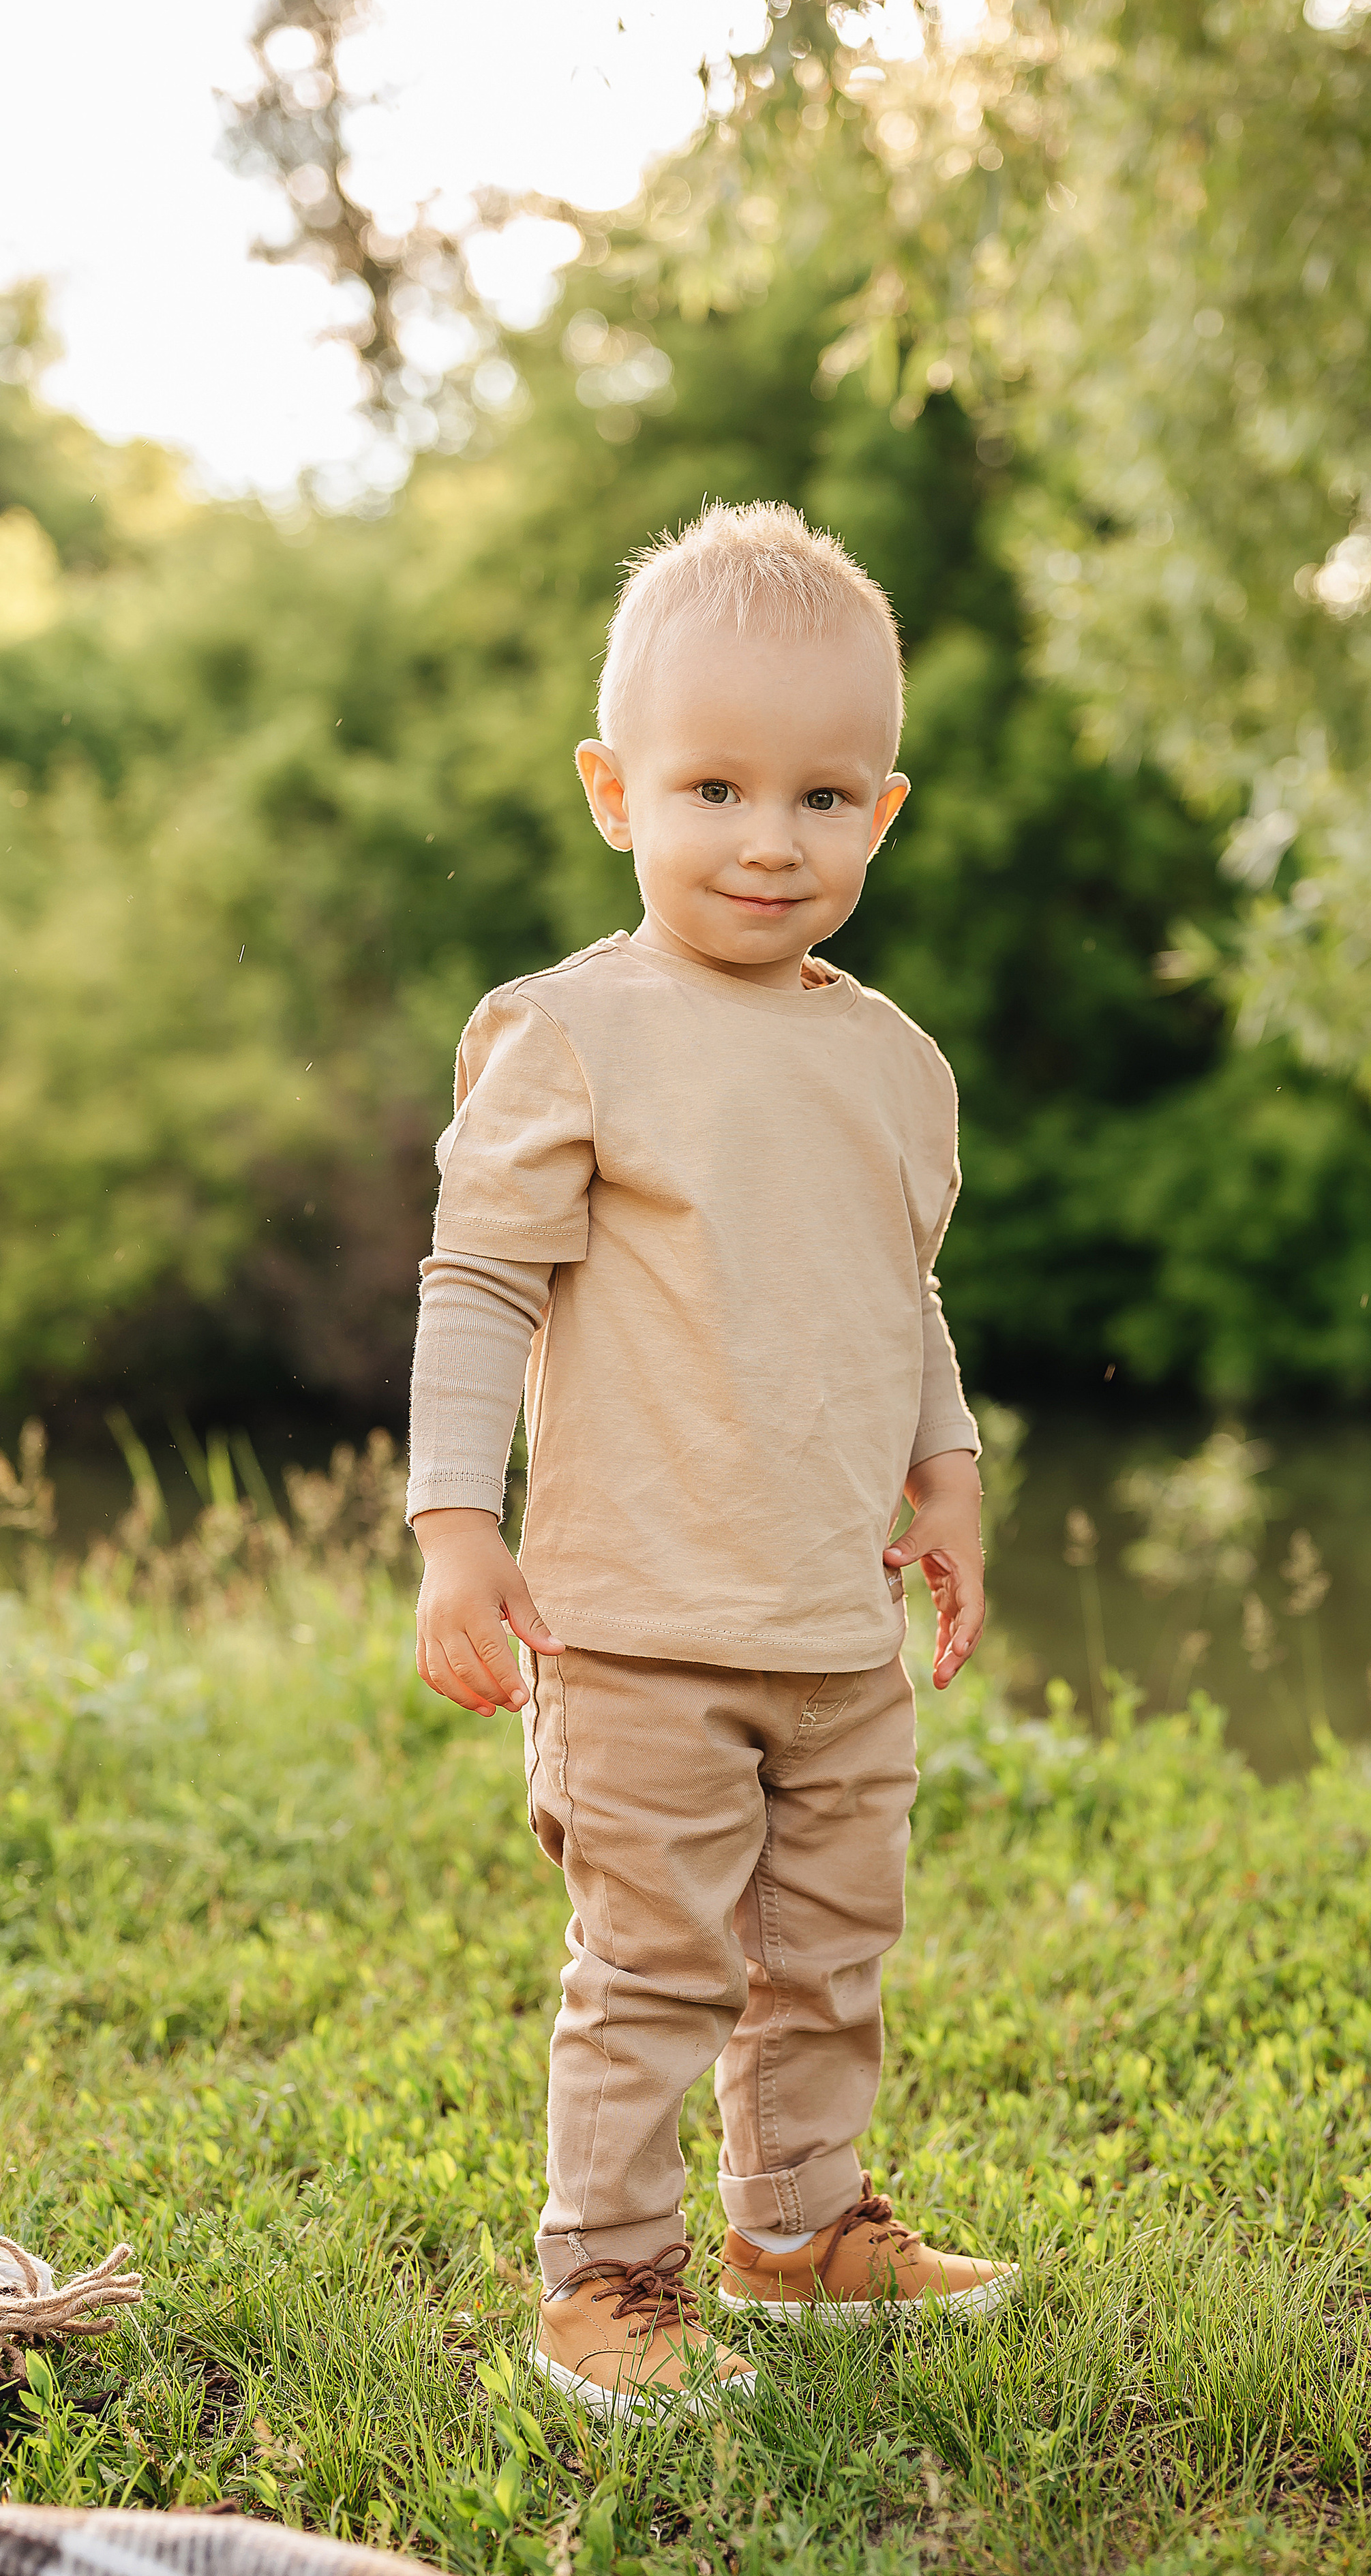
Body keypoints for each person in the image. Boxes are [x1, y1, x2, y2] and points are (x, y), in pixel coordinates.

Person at [406, 501, 1015, 2420]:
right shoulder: (575, 1036)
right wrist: (452, 1528)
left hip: (833, 1629)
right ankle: (604, 2280)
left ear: (884, 816)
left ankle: (797, 2231)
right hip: (644, 1624)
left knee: (832, 1949)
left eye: (824, 797)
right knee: (657, 1964)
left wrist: (952, 1474)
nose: (772, 837)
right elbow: (478, 1283)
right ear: (615, 792)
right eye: (717, 787)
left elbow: (893, 1304)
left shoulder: (894, 1065)